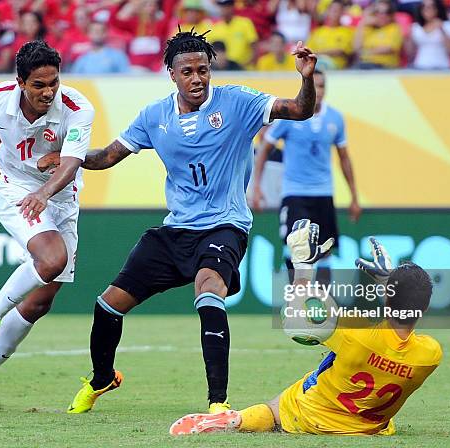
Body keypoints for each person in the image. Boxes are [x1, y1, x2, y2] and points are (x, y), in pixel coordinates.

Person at [39, 29, 318, 414]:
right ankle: (102, 377)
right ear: (172, 74)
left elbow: (300, 111)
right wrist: (69, 158)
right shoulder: (155, 116)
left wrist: (305, 78)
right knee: (107, 305)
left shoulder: (237, 102)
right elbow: (108, 155)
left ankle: (217, 403)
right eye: (187, 72)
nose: (197, 79)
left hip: (225, 224)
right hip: (175, 230)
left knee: (208, 290)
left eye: (203, 70)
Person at [170, 221, 443, 436]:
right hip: (367, 427)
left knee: (280, 406)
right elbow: (401, 316)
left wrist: (303, 267)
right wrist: (391, 283)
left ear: (386, 296)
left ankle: (238, 419)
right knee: (336, 366)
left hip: (313, 416)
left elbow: (298, 323)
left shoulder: (355, 332)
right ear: (426, 308)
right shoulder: (430, 355)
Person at [0, 40, 95, 412]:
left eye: (54, 83)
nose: (48, 92)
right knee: (51, 260)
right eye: (39, 85)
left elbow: (72, 162)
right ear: (20, 82)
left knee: (39, 303)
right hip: (16, 188)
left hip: (61, 200)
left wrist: (47, 193)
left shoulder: (78, 108)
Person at [252, 68, 361, 278]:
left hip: (323, 193)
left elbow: (344, 158)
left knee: (325, 251)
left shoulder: (335, 118)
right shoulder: (290, 117)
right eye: (315, 86)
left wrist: (354, 197)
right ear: (306, 87)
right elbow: (264, 148)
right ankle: (295, 304)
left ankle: (322, 305)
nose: (318, 91)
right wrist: (257, 187)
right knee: (295, 248)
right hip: (295, 193)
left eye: (321, 86)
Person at [407, 0, 450, 69]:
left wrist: (442, 29)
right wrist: (408, 37)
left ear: (437, 8)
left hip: (442, 67)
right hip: (419, 67)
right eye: (423, 7)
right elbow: (410, 53)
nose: (426, 9)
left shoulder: (447, 25)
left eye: (431, 7)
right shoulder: (415, 27)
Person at [353, 0, 404, 68]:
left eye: (386, 12)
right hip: (364, 65)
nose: (382, 15)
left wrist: (365, 52)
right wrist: (362, 24)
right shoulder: (368, 28)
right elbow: (356, 48)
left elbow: (389, 49)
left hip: (384, 66)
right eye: (378, 12)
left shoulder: (394, 28)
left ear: (391, 15)